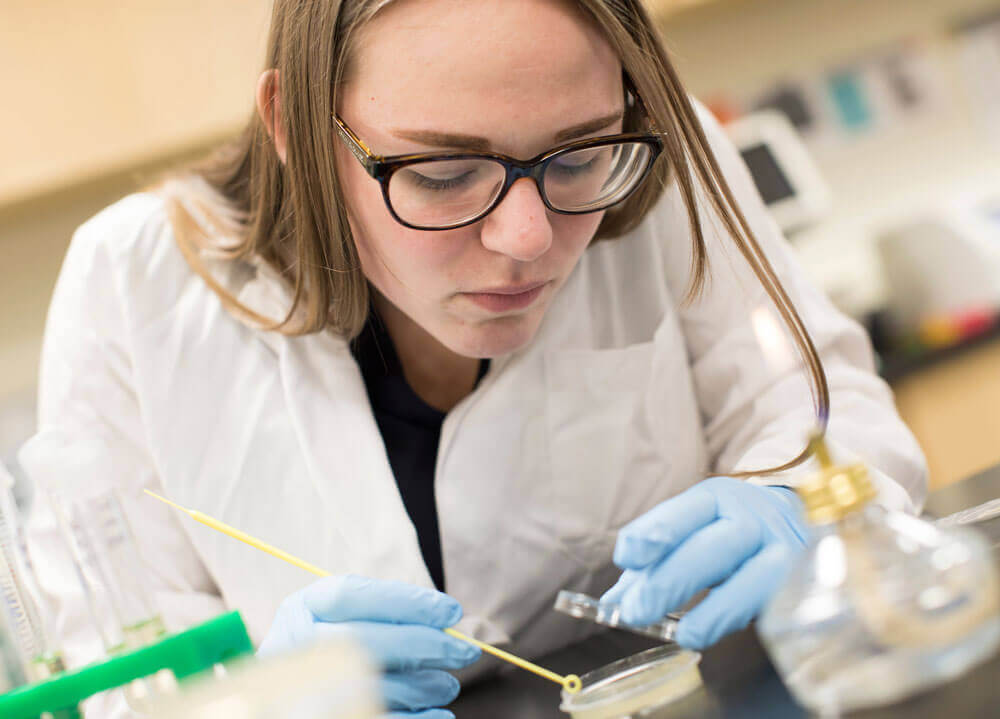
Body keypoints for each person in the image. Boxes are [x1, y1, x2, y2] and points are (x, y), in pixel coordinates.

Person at [25, 1, 926, 717]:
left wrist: (800, 502)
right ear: (295, 126)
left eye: (577, 156)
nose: (527, 238)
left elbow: (819, 402)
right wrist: (260, 696)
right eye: (445, 175)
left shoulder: (661, 158)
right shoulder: (133, 282)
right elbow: (112, 665)